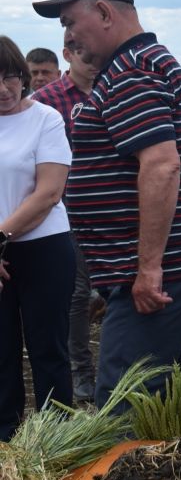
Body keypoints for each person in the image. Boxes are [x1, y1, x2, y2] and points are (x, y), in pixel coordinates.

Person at [34, 0, 181, 409]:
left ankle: (125, 477)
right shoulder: (142, 62)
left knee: (123, 407)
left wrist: (148, 269)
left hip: (158, 275)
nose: (68, 36)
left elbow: (161, 165)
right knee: (161, 404)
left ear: (103, 12)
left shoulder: (131, 71)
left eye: (68, 21)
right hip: (178, 263)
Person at [0, 35, 75, 441]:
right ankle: (6, 442)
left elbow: (48, 192)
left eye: (10, 77)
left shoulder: (46, 119)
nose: (3, 89)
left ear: (23, 77)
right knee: (2, 352)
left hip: (44, 250)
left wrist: (1, 236)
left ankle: (56, 440)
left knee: (48, 350)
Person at [32, 35, 101, 401]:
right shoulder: (46, 102)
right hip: (67, 211)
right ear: (68, 55)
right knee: (76, 295)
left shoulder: (113, 93)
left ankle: (117, 371)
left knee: (112, 289)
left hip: (110, 209)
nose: (92, 61)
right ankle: (82, 372)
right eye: (83, 54)